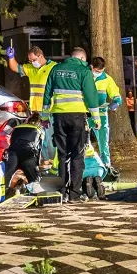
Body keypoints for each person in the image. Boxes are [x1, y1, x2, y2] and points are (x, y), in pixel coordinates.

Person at [42, 47, 100, 203]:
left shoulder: (55, 69)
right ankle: (74, 194)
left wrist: (44, 116)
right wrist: (96, 118)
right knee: (77, 155)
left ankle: (61, 192)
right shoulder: (84, 71)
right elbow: (91, 96)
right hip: (77, 117)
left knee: (62, 156)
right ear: (82, 58)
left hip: (58, 117)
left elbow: (47, 93)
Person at [7, 45, 57, 161]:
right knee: (38, 137)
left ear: (40, 55)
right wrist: (11, 57)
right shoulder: (31, 68)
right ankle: (45, 161)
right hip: (35, 111)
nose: (32, 62)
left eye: (33, 60)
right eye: (30, 61)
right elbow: (15, 67)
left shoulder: (54, 67)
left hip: (49, 110)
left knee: (50, 138)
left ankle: (53, 162)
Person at [91, 57, 122, 169]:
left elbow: (115, 93)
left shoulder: (107, 79)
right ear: (92, 67)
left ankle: (106, 165)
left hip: (101, 114)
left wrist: (117, 102)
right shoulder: (85, 76)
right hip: (86, 114)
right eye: (97, 71)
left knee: (103, 143)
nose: (99, 73)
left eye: (102, 71)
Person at [4, 113, 43, 195]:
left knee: (7, 174)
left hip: (13, 152)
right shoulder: (39, 130)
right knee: (33, 178)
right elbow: (40, 148)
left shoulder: (17, 127)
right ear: (39, 122)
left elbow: (7, 135)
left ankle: (2, 193)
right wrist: (37, 165)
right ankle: (34, 194)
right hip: (27, 154)